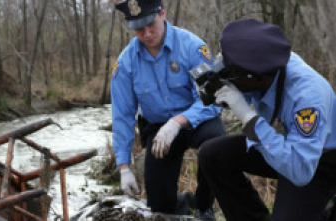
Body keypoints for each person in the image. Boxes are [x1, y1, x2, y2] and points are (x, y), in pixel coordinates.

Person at [197, 18, 336, 221]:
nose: (227, 76)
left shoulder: (307, 98)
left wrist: (247, 117)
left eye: (231, 74)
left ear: (257, 77)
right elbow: (251, 88)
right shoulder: (267, 62)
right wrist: (219, 92)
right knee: (213, 154)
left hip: (315, 160)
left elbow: (300, 170)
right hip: (280, 143)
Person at [110, 0, 226, 218]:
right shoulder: (126, 63)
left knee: (216, 146)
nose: (146, 34)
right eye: (138, 28)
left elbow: (210, 100)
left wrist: (178, 122)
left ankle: (203, 206)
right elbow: (122, 116)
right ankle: (183, 203)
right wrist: (124, 167)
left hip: (198, 121)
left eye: (150, 24)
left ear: (162, 14)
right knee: (160, 207)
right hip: (158, 129)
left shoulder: (193, 47)